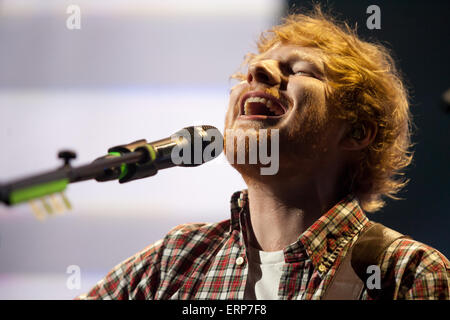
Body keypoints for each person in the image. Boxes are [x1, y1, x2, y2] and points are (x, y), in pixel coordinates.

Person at [78, 8, 449, 300]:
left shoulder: (406, 272)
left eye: (299, 70)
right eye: (251, 73)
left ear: (356, 132)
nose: (257, 70)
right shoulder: (175, 259)